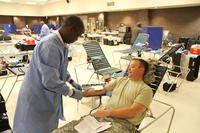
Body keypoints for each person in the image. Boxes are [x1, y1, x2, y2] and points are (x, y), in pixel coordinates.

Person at [13, 16, 85, 133]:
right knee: (34, 128)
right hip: (37, 97)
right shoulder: (50, 45)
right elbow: (51, 81)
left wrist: (72, 81)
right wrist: (72, 93)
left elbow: (60, 68)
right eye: (77, 35)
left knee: (47, 127)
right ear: (71, 29)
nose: (76, 39)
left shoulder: (61, 44)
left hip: (47, 97)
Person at [83, 58, 153, 131]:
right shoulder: (120, 80)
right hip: (106, 116)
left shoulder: (146, 90)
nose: (129, 69)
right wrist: (84, 93)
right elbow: (103, 90)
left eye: (132, 67)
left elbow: (133, 112)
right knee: (76, 127)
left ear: (141, 69)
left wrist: (107, 112)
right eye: (129, 66)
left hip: (123, 123)